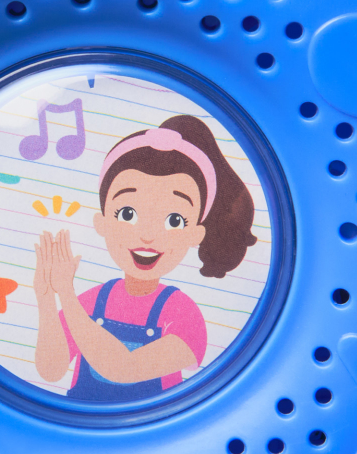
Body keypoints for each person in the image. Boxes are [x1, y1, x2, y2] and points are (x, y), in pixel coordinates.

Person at [33, 114, 257, 401]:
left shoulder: (182, 313)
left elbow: (124, 368)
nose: (148, 236)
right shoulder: (91, 301)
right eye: (128, 214)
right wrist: (46, 297)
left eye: (174, 220)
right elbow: (50, 370)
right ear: (103, 223)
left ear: (195, 234)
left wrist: (66, 293)